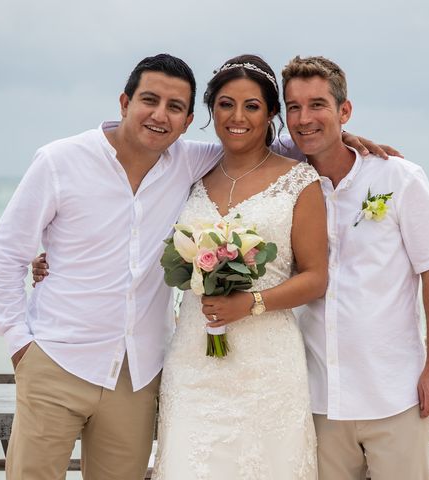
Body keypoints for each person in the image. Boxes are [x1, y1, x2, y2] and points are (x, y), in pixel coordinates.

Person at [0, 53, 390, 480]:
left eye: (175, 107)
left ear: (186, 118)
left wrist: (339, 138)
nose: (161, 115)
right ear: (124, 102)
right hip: (84, 359)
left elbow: (270, 157)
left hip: (169, 370)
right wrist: (19, 342)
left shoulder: (226, 167)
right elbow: (5, 252)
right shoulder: (86, 162)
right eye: (149, 100)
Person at [281, 56, 429, 480]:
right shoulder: (285, 183)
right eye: (293, 107)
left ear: (345, 111)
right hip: (317, 397)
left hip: (395, 393)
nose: (304, 118)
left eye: (318, 105)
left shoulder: (399, 177)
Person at [151, 54, 327, 479]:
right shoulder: (191, 172)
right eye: (226, 104)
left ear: (270, 114)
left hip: (267, 366)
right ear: (210, 110)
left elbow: (316, 277)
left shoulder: (299, 181)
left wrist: (252, 303)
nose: (238, 117)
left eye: (252, 106)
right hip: (193, 359)